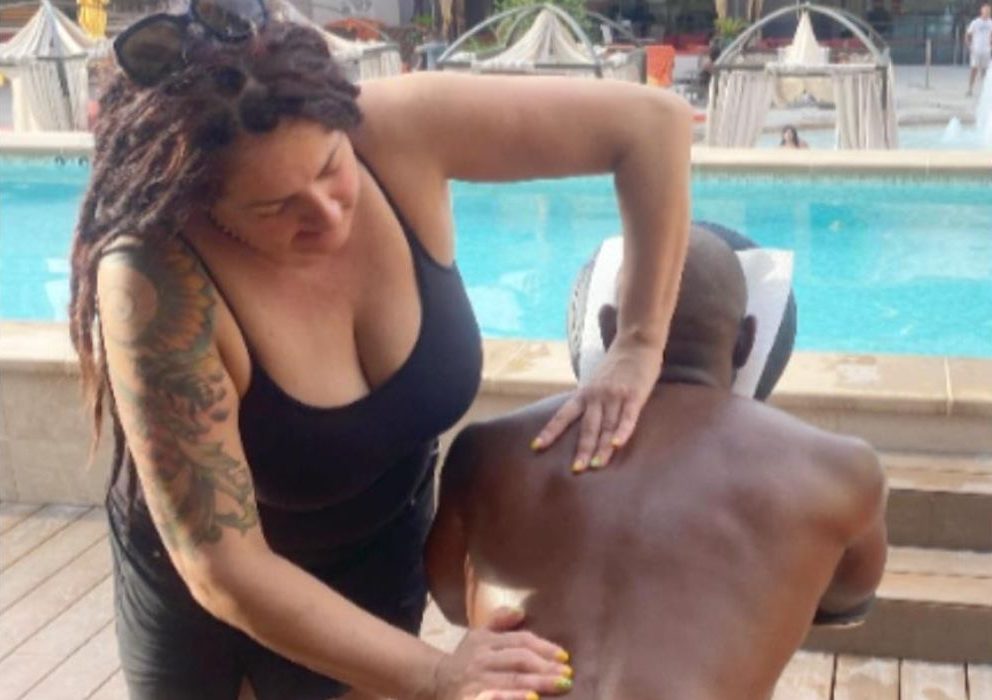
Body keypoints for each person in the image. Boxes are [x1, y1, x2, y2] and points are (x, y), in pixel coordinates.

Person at [67, 0, 693, 696]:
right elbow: (224, 570)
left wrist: (640, 342)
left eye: (331, 167)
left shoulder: (400, 128)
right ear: (200, 206)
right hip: (222, 609)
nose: (327, 212)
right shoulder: (156, 280)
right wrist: (440, 672)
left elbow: (654, 126)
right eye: (275, 208)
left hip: (383, 551)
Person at [426, 228, 887, 699]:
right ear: (747, 341)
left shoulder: (486, 449)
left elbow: (451, 600)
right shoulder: (841, 469)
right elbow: (848, 599)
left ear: (608, 329)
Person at [966, 3, 992, 96]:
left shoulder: (991, 23)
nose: (987, 12)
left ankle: (985, 90)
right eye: (985, 10)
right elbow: (968, 34)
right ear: (981, 11)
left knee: (985, 71)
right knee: (974, 69)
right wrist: (969, 46)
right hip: (976, 49)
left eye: (988, 10)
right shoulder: (975, 22)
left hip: (986, 51)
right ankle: (970, 89)